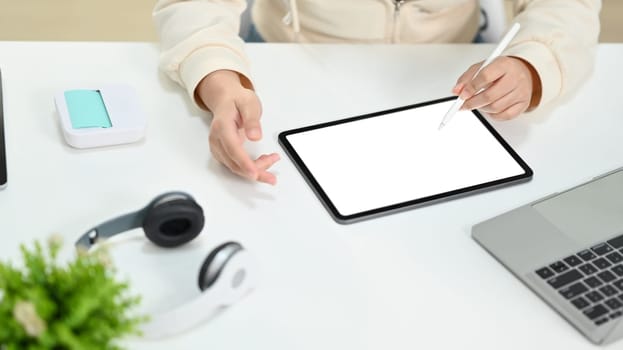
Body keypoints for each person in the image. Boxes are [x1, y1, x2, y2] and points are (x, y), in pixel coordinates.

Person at [153, 0, 601, 185]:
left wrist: (534, 64)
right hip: (289, 60)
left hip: (451, 66)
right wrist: (216, 74)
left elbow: (566, 7)